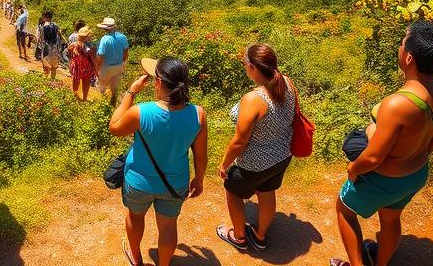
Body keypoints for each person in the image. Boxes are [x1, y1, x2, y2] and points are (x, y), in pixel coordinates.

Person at [331, 22, 433, 266]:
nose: (399, 48)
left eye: (401, 44)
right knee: (390, 218)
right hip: (416, 173)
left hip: (383, 178)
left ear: (408, 57)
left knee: (344, 210)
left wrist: (353, 170)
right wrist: (419, 153)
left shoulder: (397, 104)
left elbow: (374, 158)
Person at [109, 57, 208, 266]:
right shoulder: (198, 114)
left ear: (159, 83)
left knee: (135, 218)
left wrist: (131, 92)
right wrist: (199, 180)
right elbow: (200, 155)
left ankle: (136, 259)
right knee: (168, 227)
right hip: (175, 184)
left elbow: (114, 126)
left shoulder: (141, 111)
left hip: (138, 182)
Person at [215, 44, 296, 252]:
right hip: (281, 156)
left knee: (233, 193)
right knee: (266, 192)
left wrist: (224, 163)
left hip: (254, 164)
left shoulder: (254, 99)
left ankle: (239, 237)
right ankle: (259, 236)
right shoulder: (287, 82)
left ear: (251, 67)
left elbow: (239, 142)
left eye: (244, 65)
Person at [95, 17, 130, 105]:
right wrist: (123, 62)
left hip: (106, 67)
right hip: (118, 65)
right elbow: (126, 51)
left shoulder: (104, 39)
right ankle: (113, 104)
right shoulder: (123, 37)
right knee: (115, 87)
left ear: (104, 28)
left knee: (102, 88)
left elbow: (100, 55)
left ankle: (101, 105)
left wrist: (97, 67)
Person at [68, 26, 96, 101]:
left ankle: (75, 97)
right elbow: (93, 57)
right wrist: (96, 68)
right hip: (87, 67)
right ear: (87, 36)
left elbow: (70, 51)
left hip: (77, 66)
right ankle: (84, 99)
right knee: (86, 82)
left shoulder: (75, 44)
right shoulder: (91, 46)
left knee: (76, 81)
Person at [38, 11, 63, 81]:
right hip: (55, 48)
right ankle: (52, 81)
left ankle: (45, 81)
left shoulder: (44, 27)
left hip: (47, 48)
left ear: (45, 17)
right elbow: (59, 37)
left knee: (46, 66)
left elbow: (43, 39)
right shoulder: (56, 26)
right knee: (54, 67)